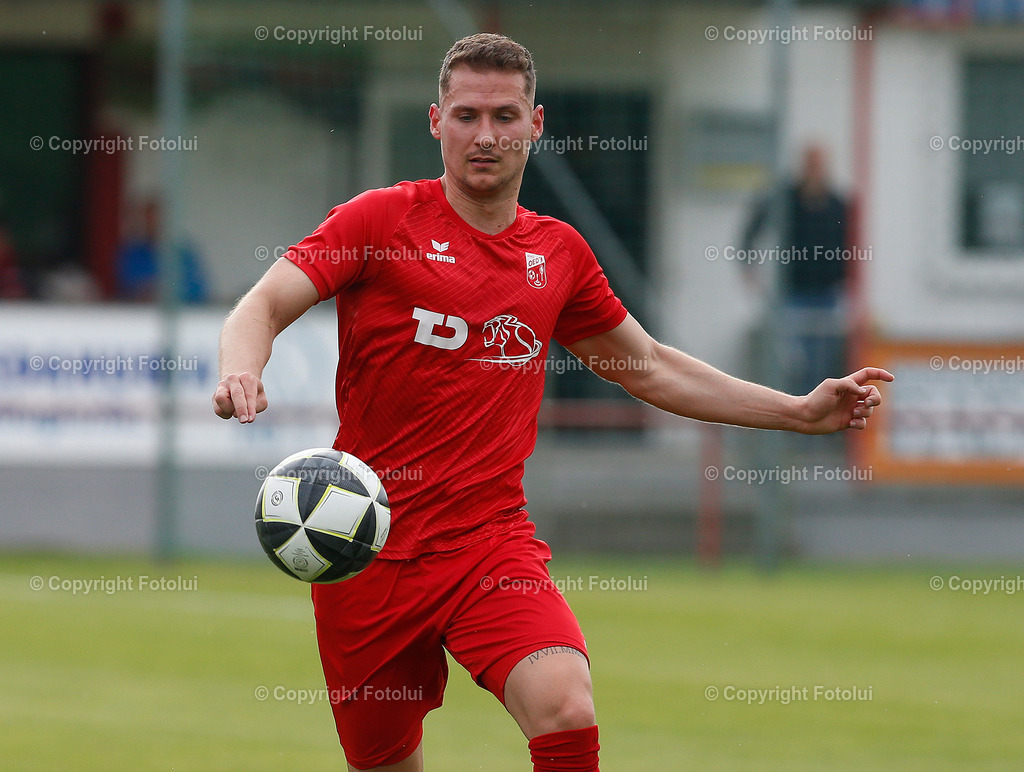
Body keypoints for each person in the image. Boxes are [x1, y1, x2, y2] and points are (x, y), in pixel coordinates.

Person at [212, 34, 892, 772]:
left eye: (505, 116)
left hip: (488, 543)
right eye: (466, 114)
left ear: (535, 124)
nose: (485, 135)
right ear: (436, 121)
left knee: (565, 703)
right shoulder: (380, 222)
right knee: (385, 762)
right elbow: (266, 302)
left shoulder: (559, 255)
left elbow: (650, 367)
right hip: (365, 547)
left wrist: (799, 411)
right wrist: (240, 368)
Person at [740, 143, 851, 395]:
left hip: (827, 295)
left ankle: (815, 421)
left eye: (819, 164)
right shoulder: (785, 200)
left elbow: (852, 244)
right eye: (810, 164)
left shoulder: (837, 204)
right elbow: (753, 228)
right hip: (793, 294)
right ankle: (792, 414)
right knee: (792, 362)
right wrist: (748, 266)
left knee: (821, 364)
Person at [116, 197, 209, 303]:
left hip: (181, 314)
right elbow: (123, 288)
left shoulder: (183, 253)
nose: (153, 223)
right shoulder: (132, 253)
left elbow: (199, 289)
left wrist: (171, 289)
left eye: (157, 218)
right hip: (139, 315)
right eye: (148, 218)